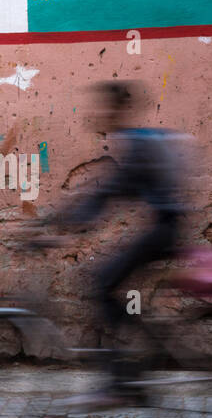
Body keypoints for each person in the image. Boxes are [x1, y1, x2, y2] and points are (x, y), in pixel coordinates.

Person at [29, 80, 190, 395]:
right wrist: (60, 223)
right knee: (107, 282)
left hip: (163, 231)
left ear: (117, 110)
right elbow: (106, 195)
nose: (97, 114)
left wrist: (61, 228)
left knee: (101, 282)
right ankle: (130, 364)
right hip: (164, 229)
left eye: (103, 107)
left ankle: (121, 377)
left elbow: (107, 196)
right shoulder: (136, 141)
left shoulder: (136, 144)